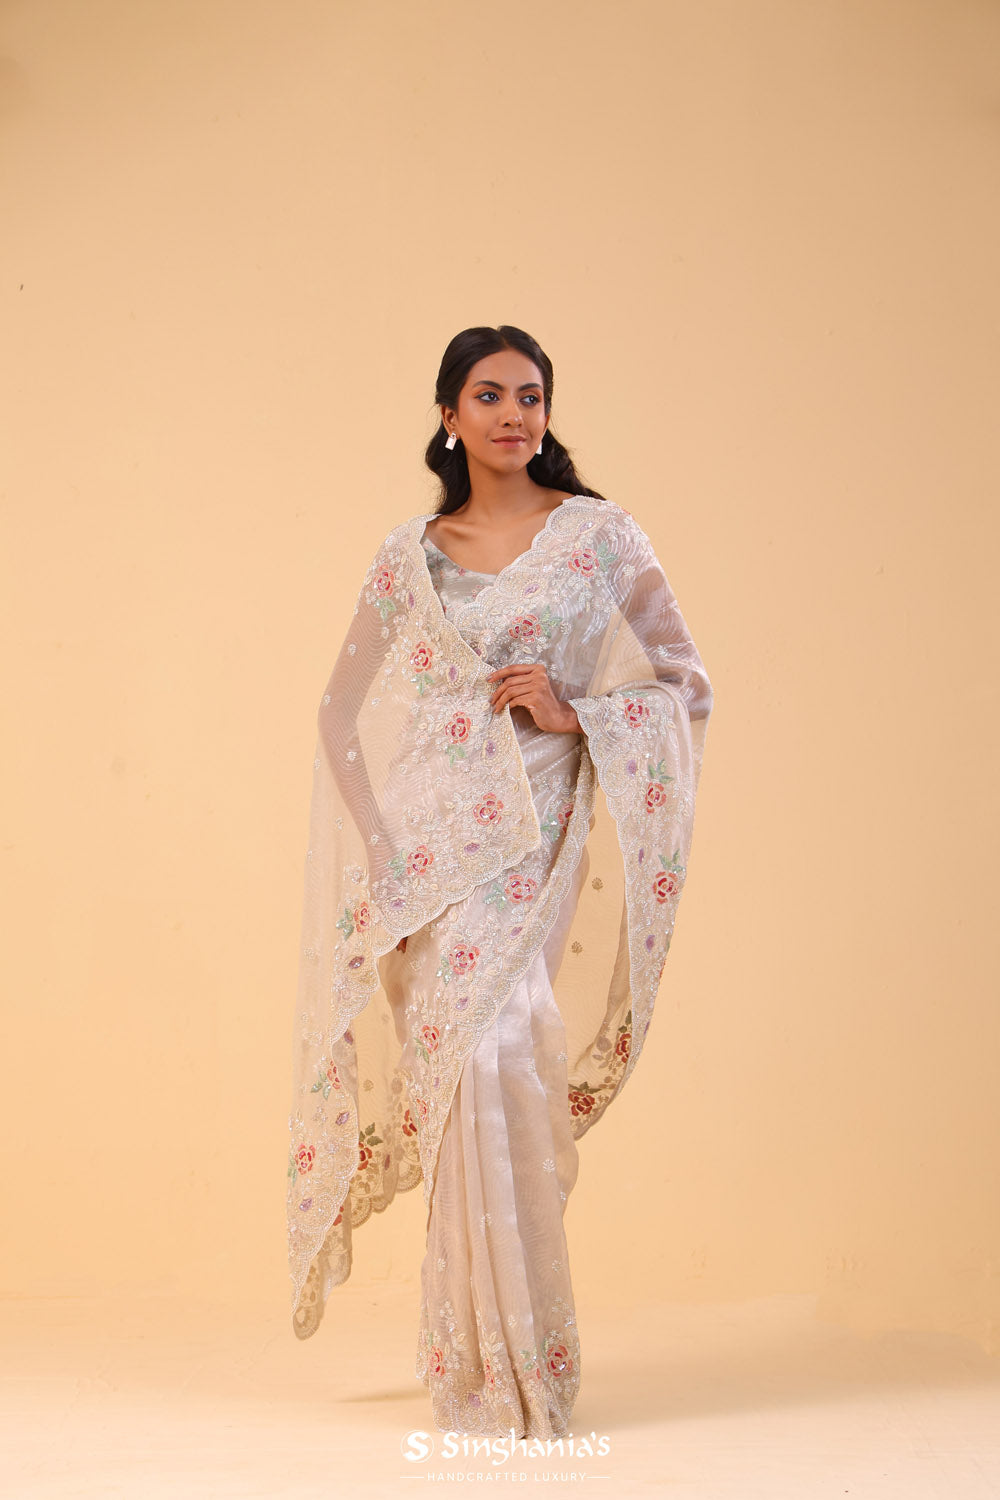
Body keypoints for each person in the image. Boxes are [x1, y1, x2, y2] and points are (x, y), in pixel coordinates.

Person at [286, 324, 714, 1440]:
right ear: (448, 416)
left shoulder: (598, 537)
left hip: (534, 840)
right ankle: (469, 1364)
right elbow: (339, 715)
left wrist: (578, 713)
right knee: (457, 1074)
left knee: (504, 1053)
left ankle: (532, 1362)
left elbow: (682, 682)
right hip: (432, 855)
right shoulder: (410, 556)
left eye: (530, 396)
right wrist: (385, 856)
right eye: (489, 396)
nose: (513, 414)